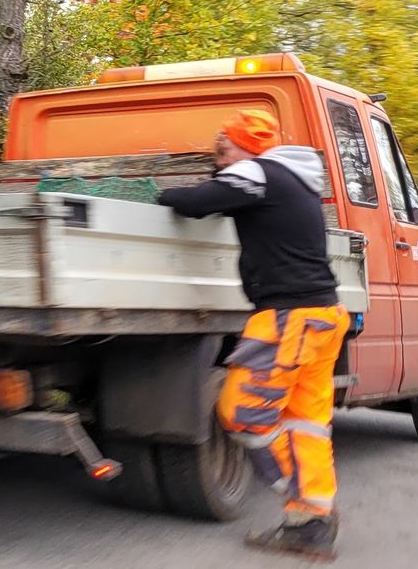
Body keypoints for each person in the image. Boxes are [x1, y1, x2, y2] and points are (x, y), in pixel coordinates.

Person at [157, 109, 350, 561]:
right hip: (322, 314)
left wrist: (160, 194)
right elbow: (224, 194)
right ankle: (309, 523)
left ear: (245, 146)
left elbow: (198, 202)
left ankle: (311, 514)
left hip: (290, 318)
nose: (220, 160)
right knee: (305, 424)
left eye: (223, 150)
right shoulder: (292, 179)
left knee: (243, 413)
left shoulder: (258, 172)